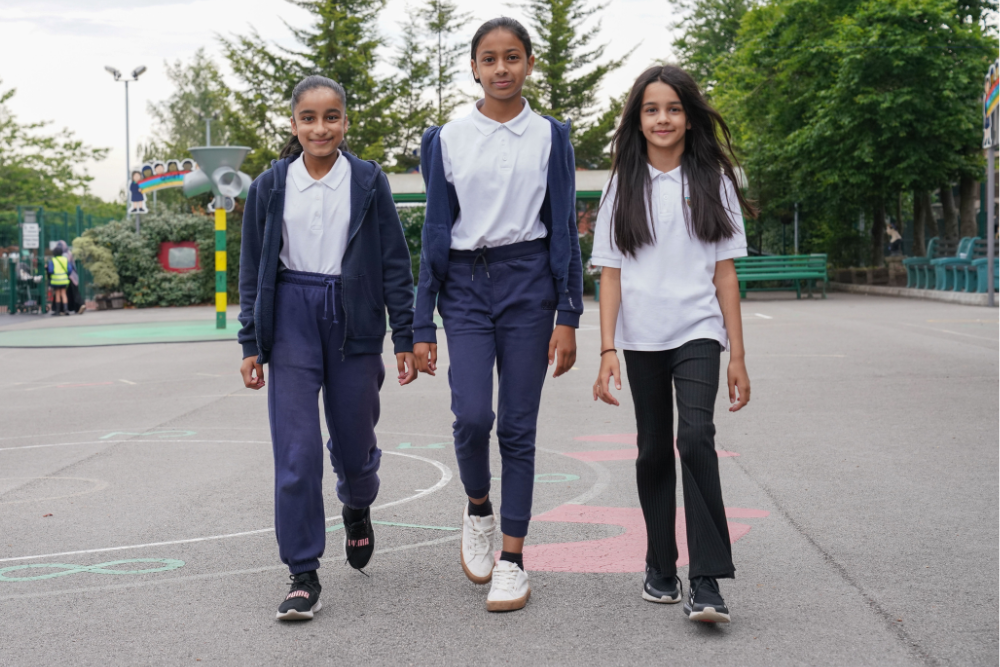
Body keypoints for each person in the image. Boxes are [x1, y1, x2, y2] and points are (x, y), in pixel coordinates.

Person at [413, 17, 583, 613]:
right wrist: (420, 322)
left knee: (517, 423)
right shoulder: (448, 138)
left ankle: (513, 558)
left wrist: (569, 311)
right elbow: (436, 229)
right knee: (471, 415)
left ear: (530, 64)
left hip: (529, 280)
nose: (502, 68)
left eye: (513, 56)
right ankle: (478, 507)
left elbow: (563, 227)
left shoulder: (551, 135)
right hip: (463, 282)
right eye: (490, 58)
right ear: (474, 67)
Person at [236, 75, 417, 622]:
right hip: (291, 314)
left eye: (331, 116)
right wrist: (250, 340)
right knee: (296, 453)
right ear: (293, 124)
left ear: (344, 122)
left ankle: (357, 503)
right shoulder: (270, 186)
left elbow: (393, 261)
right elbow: (252, 269)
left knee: (356, 444)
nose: (321, 127)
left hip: (353, 316)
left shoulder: (367, 180)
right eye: (309, 118)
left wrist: (405, 334)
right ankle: (302, 573)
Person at [591, 65, 755, 624]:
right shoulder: (621, 183)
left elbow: (726, 274)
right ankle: (660, 563)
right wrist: (607, 349)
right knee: (654, 447)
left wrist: (738, 353)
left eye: (673, 109)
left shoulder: (714, 180)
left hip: (699, 331)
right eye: (651, 109)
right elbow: (609, 273)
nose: (663, 118)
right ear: (637, 120)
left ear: (689, 117)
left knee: (696, 435)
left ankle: (707, 579)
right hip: (640, 338)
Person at [47, 245, 73, 316]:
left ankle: (57, 311)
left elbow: (50, 270)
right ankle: (65, 309)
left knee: (57, 294)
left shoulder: (53, 260)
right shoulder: (65, 259)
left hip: (55, 280)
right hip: (64, 280)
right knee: (64, 294)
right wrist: (66, 274)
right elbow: (70, 269)